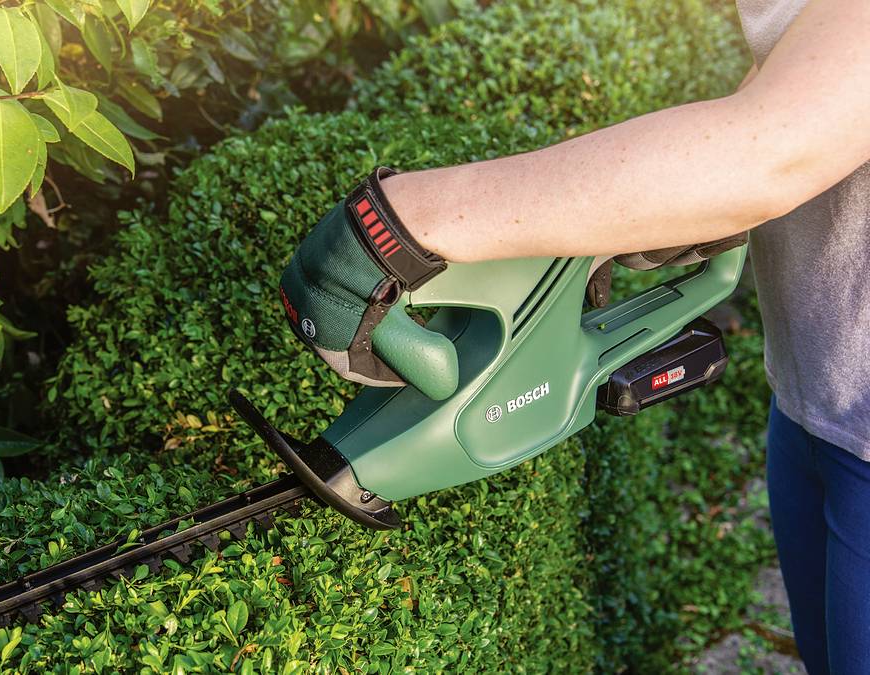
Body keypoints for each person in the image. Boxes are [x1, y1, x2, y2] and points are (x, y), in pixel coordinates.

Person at [277, 0, 870, 672]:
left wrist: (400, 226)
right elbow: (806, 81)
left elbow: (771, 148)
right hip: (814, 398)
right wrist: (665, 204)